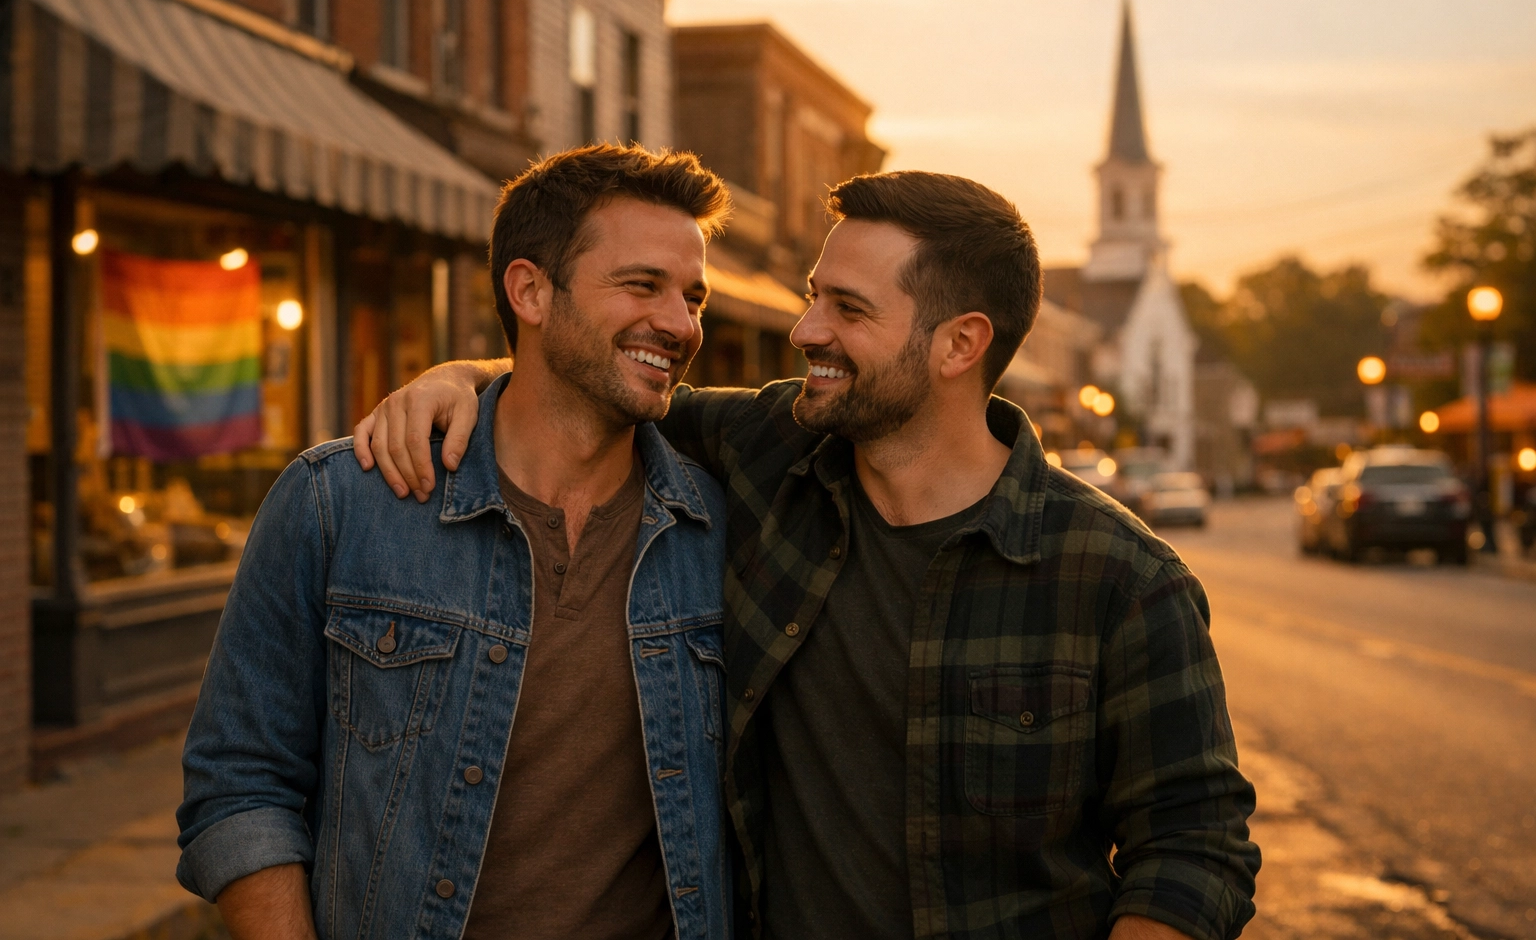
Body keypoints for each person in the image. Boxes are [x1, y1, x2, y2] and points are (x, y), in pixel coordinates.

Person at [356, 170, 1261, 939]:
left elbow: (1194, 845)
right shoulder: (771, 454)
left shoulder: (1121, 581)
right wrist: (458, 380)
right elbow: (585, 384)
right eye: (813, 299)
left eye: (848, 310)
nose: (806, 332)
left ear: (960, 344)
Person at [177, 145, 736, 940]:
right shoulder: (342, 503)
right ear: (531, 289)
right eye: (642, 285)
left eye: (693, 297)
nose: (681, 324)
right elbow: (238, 783)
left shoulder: (717, 528)